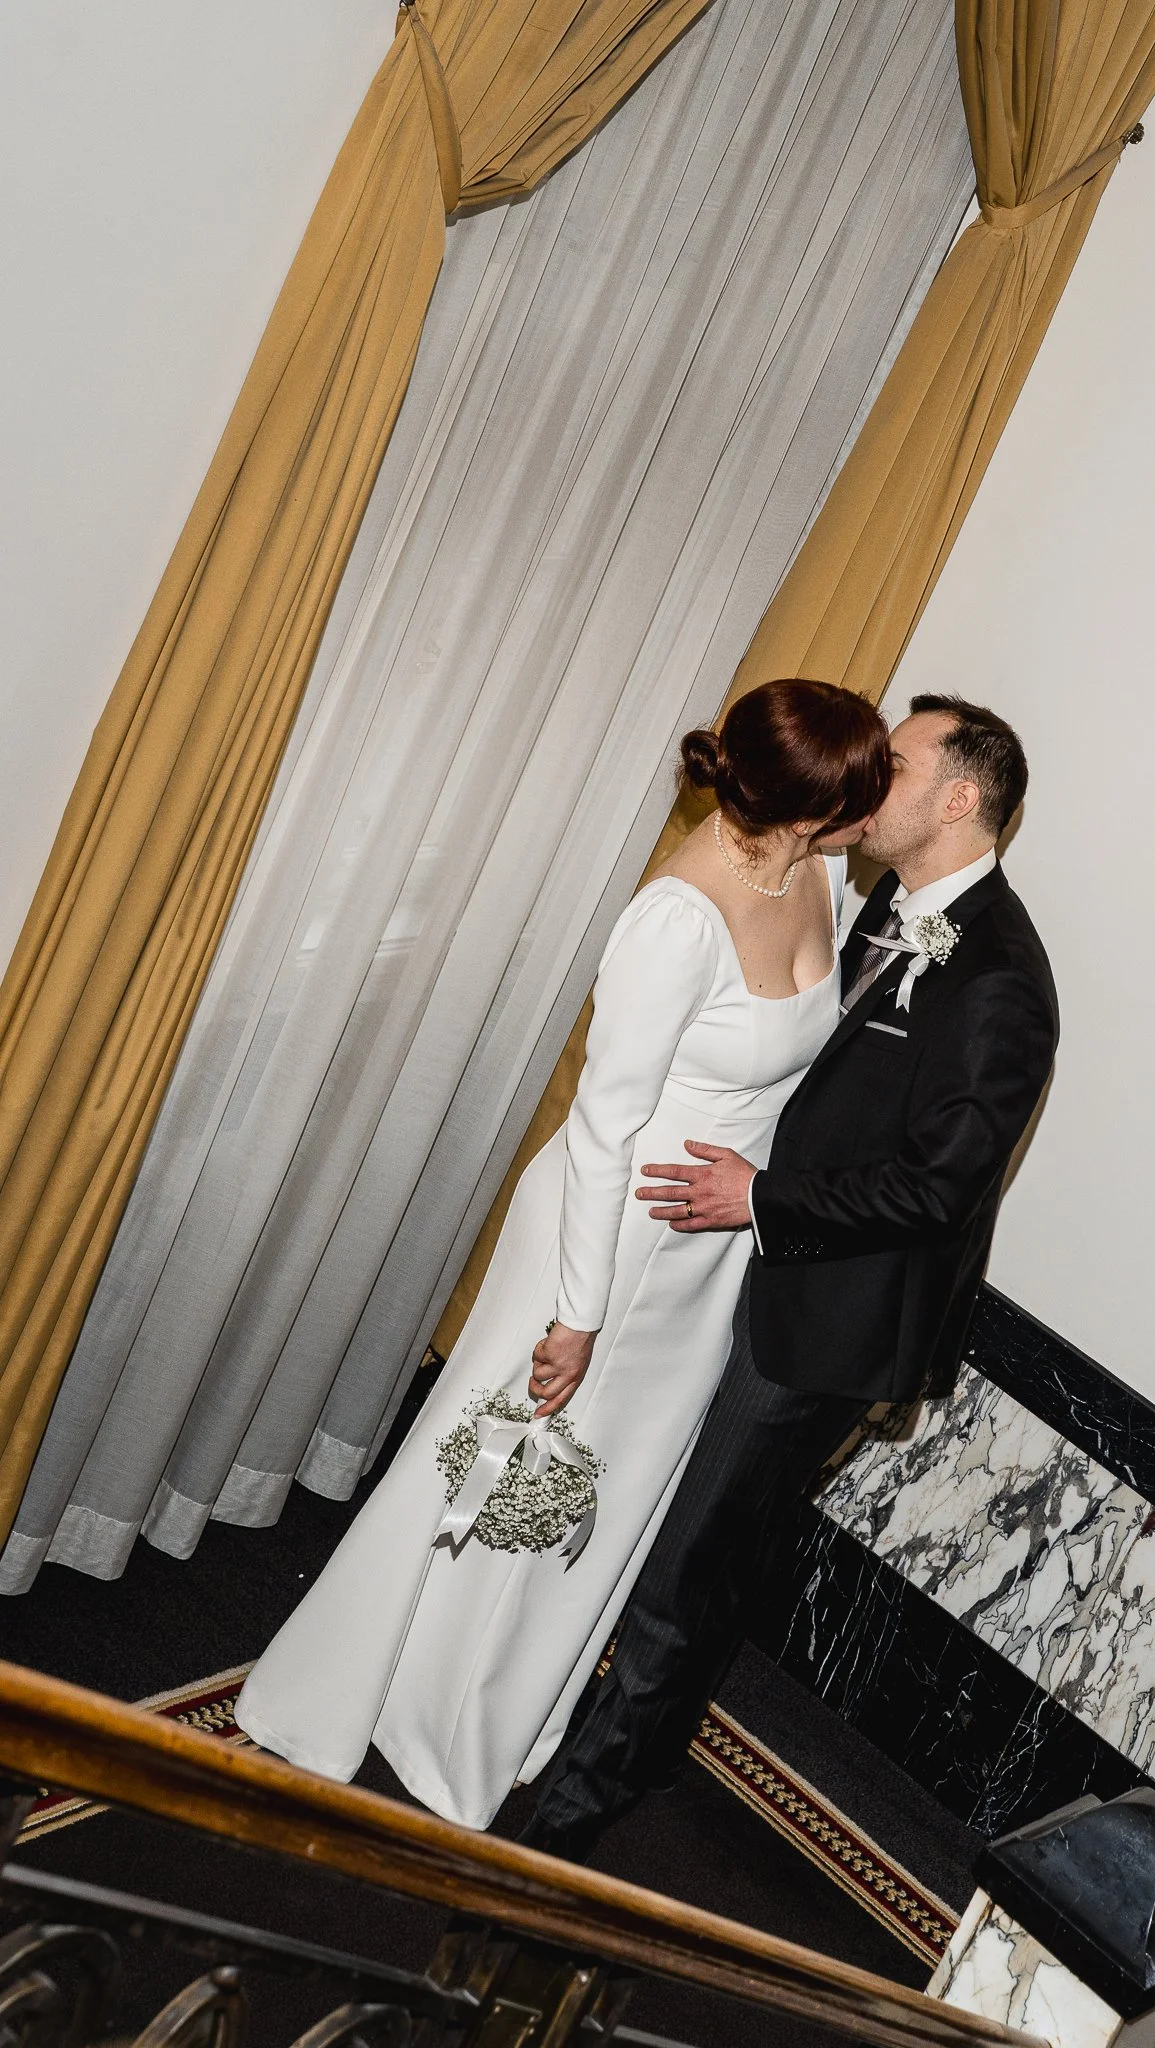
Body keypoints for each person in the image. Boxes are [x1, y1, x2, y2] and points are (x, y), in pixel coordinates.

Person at [234, 679, 890, 1829]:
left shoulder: (826, 873)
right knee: (488, 1461)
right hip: (605, 1228)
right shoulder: (676, 918)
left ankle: (484, 1711)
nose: (873, 805)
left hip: (709, 1248)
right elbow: (604, 1124)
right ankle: (336, 1694)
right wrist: (576, 1312)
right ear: (799, 805)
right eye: (856, 788)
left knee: (606, 1486)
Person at [519, 694, 1059, 1859]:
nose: (873, 775)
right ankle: (644, 1746)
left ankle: (567, 1820)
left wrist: (760, 1199)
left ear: (959, 798)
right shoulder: (880, 904)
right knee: (706, 1530)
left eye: (898, 762)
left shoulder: (1003, 979)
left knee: (694, 1556)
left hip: (830, 1313)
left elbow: (941, 1186)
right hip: (755, 1272)